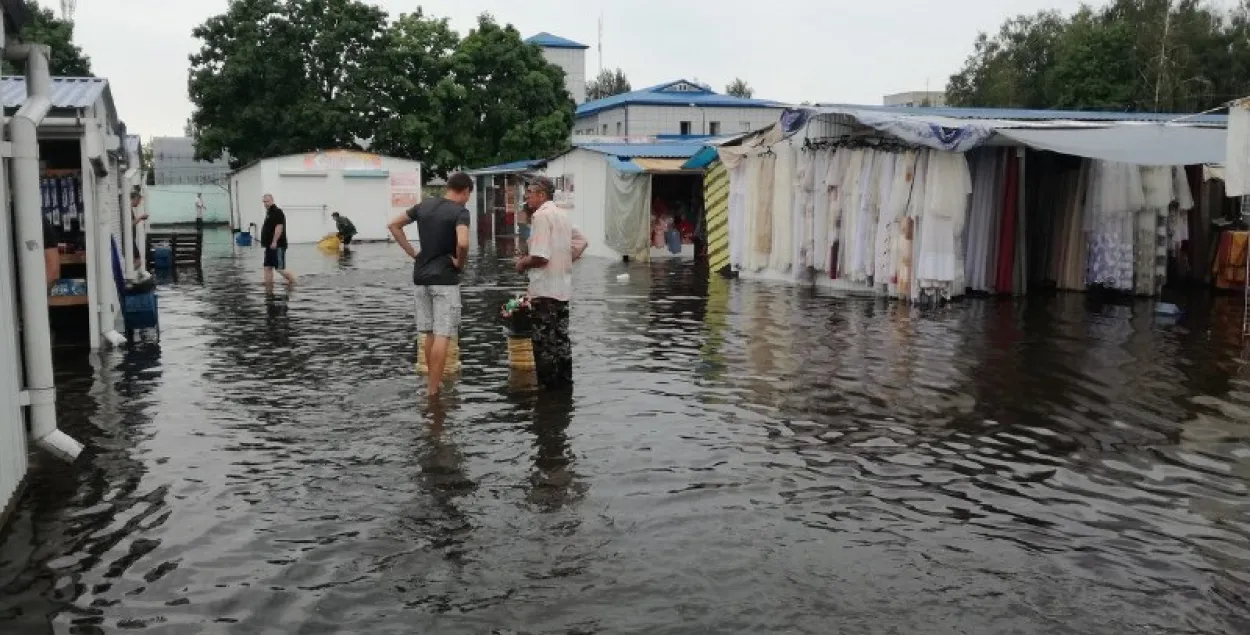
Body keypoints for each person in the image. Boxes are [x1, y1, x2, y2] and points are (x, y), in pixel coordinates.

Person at [388, 172, 473, 397]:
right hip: (445, 279)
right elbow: (463, 242)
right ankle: (434, 391)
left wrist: (413, 253)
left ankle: (429, 387)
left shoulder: (424, 206)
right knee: (443, 333)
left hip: (421, 276)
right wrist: (460, 263)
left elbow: (394, 225)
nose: (468, 199)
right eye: (468, 195)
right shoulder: (460, 212)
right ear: (465, 191)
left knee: (428, 332)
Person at [514, 177, 588, 389]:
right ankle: (564, 389)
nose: (526, 197)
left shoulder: (541, 216)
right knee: (561, 341)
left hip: (544, 291)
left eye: (530, 192)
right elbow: (582, 242)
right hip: (562, 290)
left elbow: (540, 257)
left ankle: (547, 393)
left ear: (541, 195)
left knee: (543, 345)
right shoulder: (562, 215)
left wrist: (521, 264)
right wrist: (564, 258)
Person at [261, 193, 296, 286]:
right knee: (267, 267)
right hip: (269, 246)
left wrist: (274, 241)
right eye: (264, 202)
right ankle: (268, 288)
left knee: (279, 269)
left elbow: (279, 227)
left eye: (267, 201)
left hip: (278, 245)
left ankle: (294, 283)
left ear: (272, 201)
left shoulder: (277, 212)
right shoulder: (269, 213)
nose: (265, 203)